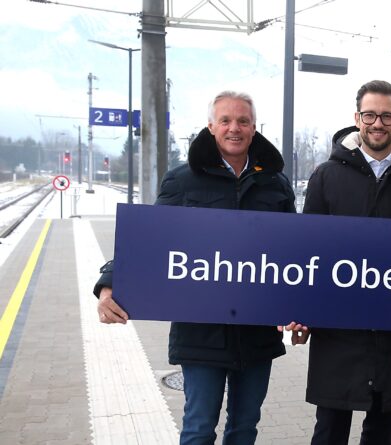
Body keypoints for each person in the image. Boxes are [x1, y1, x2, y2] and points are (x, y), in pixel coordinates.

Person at [93, 91, 295, 445]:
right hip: (200, 331)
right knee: (200, 428)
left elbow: (294, 252)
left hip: (257, 331)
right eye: (226, 121)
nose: (235, 128)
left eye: (243, 121)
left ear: (253, 127)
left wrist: (302, 307)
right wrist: (109, 284)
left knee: (245, 428)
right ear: (211, 126)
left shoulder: (275, 184)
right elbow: (149, 242)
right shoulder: (182, 180)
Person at [291, 80, 391, 445]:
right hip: (338, 330)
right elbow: (305, 251)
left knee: (380, 431)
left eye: (387, 116)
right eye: (370, 115)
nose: (378, 123)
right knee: (329, 428)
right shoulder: (325, 176)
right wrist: (300, 311)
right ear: (357, 118)